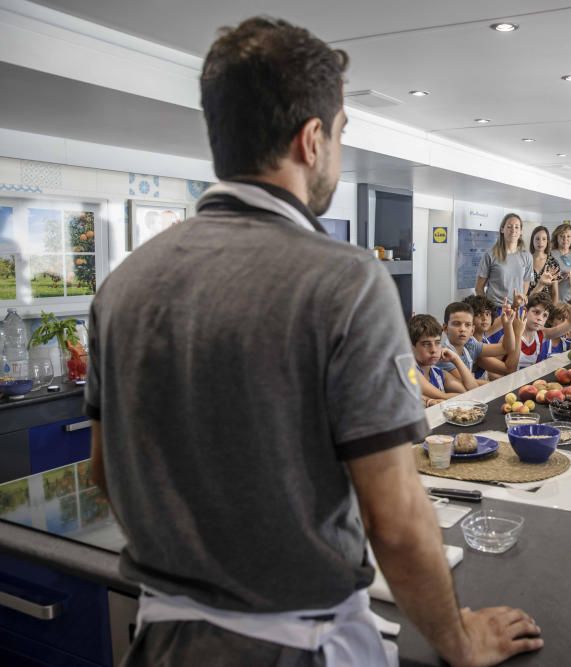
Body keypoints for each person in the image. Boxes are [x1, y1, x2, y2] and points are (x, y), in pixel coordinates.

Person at [86, 18, 541, 666]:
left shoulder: (122, 286)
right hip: (298, 643)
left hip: (160, 639)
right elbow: (397, 517)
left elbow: (108, 470)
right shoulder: (348, 280)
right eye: (341, 134)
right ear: (311, 139)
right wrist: (460, 637)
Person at [437, 302, 517, 385]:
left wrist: (508, 325)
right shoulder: (443, 355)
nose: (462, 329)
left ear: (472, 330)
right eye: (456, 324)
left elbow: (507, 348)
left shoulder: (470, 346)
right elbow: (468, 383)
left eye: (467, 325)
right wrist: (495, 386)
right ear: (445, 328)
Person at [511, 278, 571, 369]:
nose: (540, 318)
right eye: (536, 312)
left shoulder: (542, 334)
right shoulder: (512, 332)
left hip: (529, 382)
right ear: (525, 311)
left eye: (544, 315)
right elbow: (494, 372)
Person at [411, 314, 478, 405]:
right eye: (426, 344)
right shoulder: (410, 371)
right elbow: (443, 396)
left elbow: (473, 391)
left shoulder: (439, 373)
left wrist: (455, 359)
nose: (434, 350)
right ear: (411, 347)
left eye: (437, 343)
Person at [476, 213, 534, 305]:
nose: (513, 230)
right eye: (509, 227)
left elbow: (526, 282)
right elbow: (479, 288)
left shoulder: (527, 257)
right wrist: (487, 308)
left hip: (517, 309)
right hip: (496, 309)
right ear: (502, 229)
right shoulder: (490, 255)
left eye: (516, 227)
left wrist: (520, 301)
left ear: (521, 231)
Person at [527, 225, 559, 299]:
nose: (540, 242)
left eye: (544, 239)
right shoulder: (526, 260)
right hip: (528, 305)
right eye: (537, 239)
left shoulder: (552, 262)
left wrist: (554, 310)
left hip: (546, 307)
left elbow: (555, 293)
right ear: (532, 241)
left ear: (547, 241)